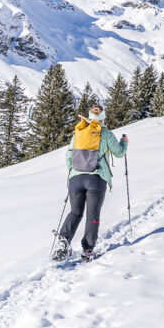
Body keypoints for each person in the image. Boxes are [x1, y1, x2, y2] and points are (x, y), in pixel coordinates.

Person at [52, 106, 128, 261]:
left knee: (75, 212)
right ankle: (87, 250)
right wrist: (124, 142)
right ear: (103, 118)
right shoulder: (105, 133)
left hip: (76, 179)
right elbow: (119, 153)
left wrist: (75, 172)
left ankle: (63, 242)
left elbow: (69, 157)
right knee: (92, 215)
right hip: (96, 179)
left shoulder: (78, 133)